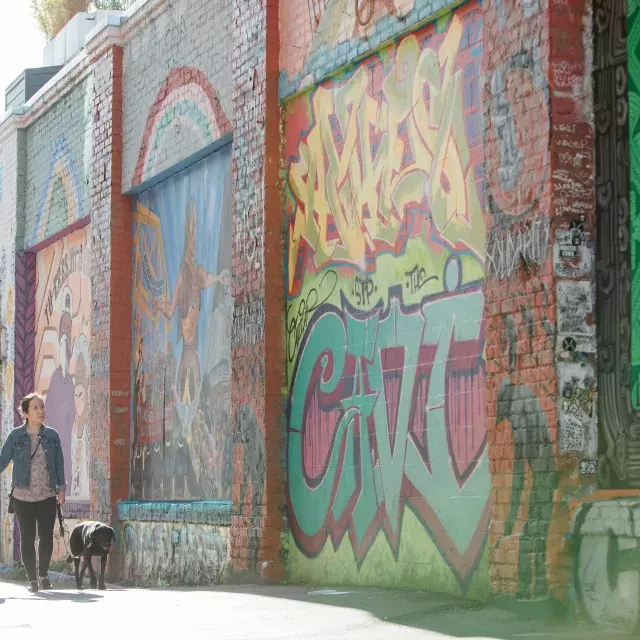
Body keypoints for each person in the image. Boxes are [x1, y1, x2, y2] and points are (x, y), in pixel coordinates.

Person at [0, 393, 66, 593]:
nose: (41, 411)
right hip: (23, 496)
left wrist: (61, 490)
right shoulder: (15, 436)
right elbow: (2, 460)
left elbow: (59, 465)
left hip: (47, 494)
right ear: (26, 413)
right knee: (28, 538)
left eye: (42, 407)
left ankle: (44, 576)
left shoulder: (52, 435)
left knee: (46, 536)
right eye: (36, 408)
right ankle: (32, 580)